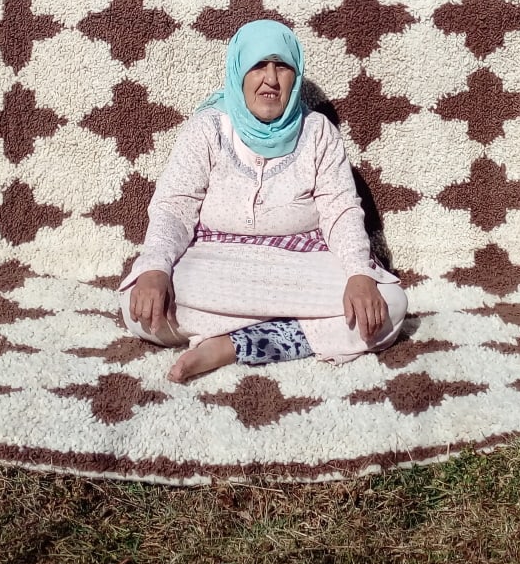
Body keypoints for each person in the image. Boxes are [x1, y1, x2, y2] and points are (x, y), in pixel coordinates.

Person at [120, 20, 407, 382]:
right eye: (258, 65)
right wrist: (156, 270)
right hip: (216, 264)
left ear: (295, 75)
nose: (270, 79)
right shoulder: (208, 129)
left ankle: (230, 345)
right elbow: (174, 209)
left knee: (390, 307)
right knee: (137, 307)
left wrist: (358, 276)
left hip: (298, 266)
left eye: (282, 66)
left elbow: (342, 211)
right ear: (239, 71)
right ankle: (286, 329)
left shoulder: (318, 132)